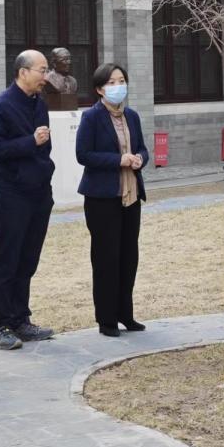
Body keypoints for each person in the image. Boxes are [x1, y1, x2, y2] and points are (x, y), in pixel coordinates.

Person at [0, 49, 57, 350]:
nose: (46, 77)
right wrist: (30, 142)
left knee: (27, 260)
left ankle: (20, 318)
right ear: (23, 72)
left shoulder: (40, 103)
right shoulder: (0, 106)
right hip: (11, 194)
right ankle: (0, 325)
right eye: (42, 70)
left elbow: (44, 147)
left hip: (39, 193)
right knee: (7, 260)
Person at [75, 63, 149, 337]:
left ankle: (125, 314)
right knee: (106, 258)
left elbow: (142, 148)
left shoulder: (132, 116)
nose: (118, 86)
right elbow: (83, 155)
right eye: (112, 82)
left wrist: (140, 158)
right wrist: (119, 160)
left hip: (131, 196)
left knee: (129, 257)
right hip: (102, 198)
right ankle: (106, 319)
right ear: (99, 89)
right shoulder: (92, 117)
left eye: (121, 81)